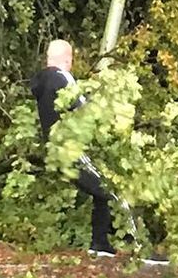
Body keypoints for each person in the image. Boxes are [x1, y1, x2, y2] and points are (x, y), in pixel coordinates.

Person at [30, 40, 121, 257]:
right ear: (68, 59)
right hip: (71, 150)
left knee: (101, 190)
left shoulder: (42, 82)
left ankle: (101, 243)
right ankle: (135, 244)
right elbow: (82, 109)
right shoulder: (62, 79)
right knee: (110, 188)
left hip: (55, 150)